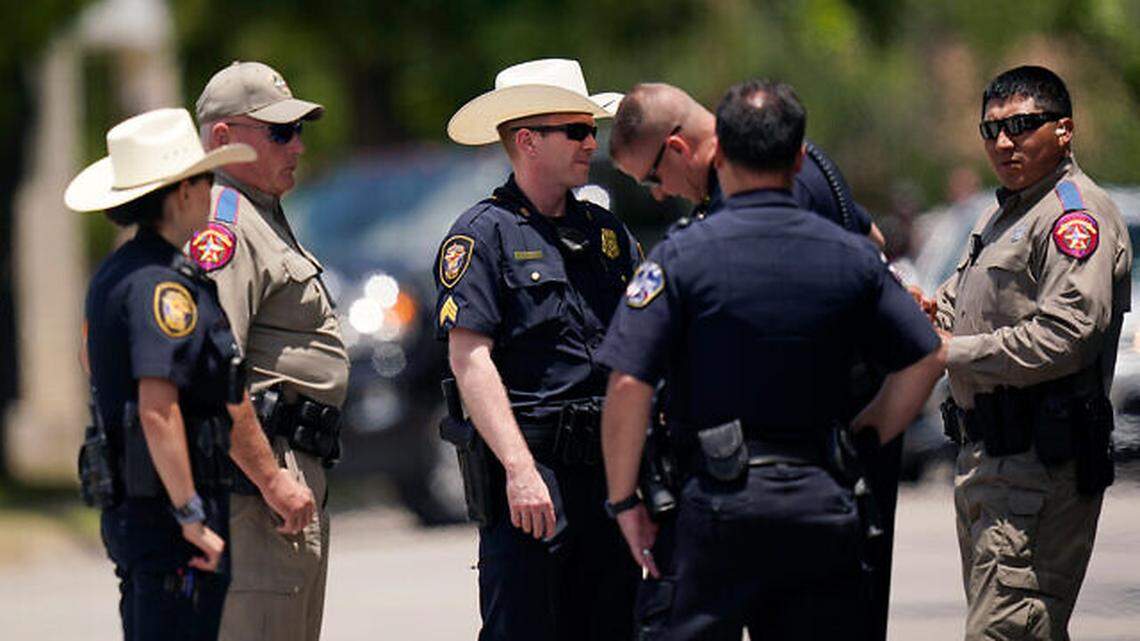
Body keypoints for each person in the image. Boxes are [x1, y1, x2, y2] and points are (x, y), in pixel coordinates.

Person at [598, 80, 946, 641]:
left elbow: (629, 382)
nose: (660, 195)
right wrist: (867, 432)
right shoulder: (832, 228)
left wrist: (623, 501)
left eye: (655, 178)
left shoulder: (689, 251)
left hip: (731, 492)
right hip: (823, 489)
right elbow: (907, 312)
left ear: (700, 151)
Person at [68, 107, 314, 641]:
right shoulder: (164, 288)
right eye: (206, 180)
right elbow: (159, 410)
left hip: (141, 515)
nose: (212, 191)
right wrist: (189, 516)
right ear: (181, 193)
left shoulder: (120, 273)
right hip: (168, 520)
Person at [436, 58, 640, 640]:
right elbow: (469, 358)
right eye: (575, 131)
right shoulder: (483, 234)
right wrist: (521, 470)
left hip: (610, 469)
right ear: (527, 141)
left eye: (591, 130)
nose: (590, 143)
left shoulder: (608, 234)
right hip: (536, 479)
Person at [932, 65, 1131, 641]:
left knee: (1007, 633)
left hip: (1040, 466)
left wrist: (955, 351)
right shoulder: (1009, 214)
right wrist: (921, 313)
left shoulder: (1073, 215)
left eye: (1022, 125)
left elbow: (1069, 334)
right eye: (990, 129)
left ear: (1064, 130)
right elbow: (960, 303)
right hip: (991, 463)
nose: (1003, 141)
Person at [191, 61, 349, 641]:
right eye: (280, 132)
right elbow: (210, 367)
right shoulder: (224, 224)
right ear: (223, 140)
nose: (299, 146)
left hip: (287, 474)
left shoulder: (264, 215)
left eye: (299, 130)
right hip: (258, 489)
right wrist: (271, 478)